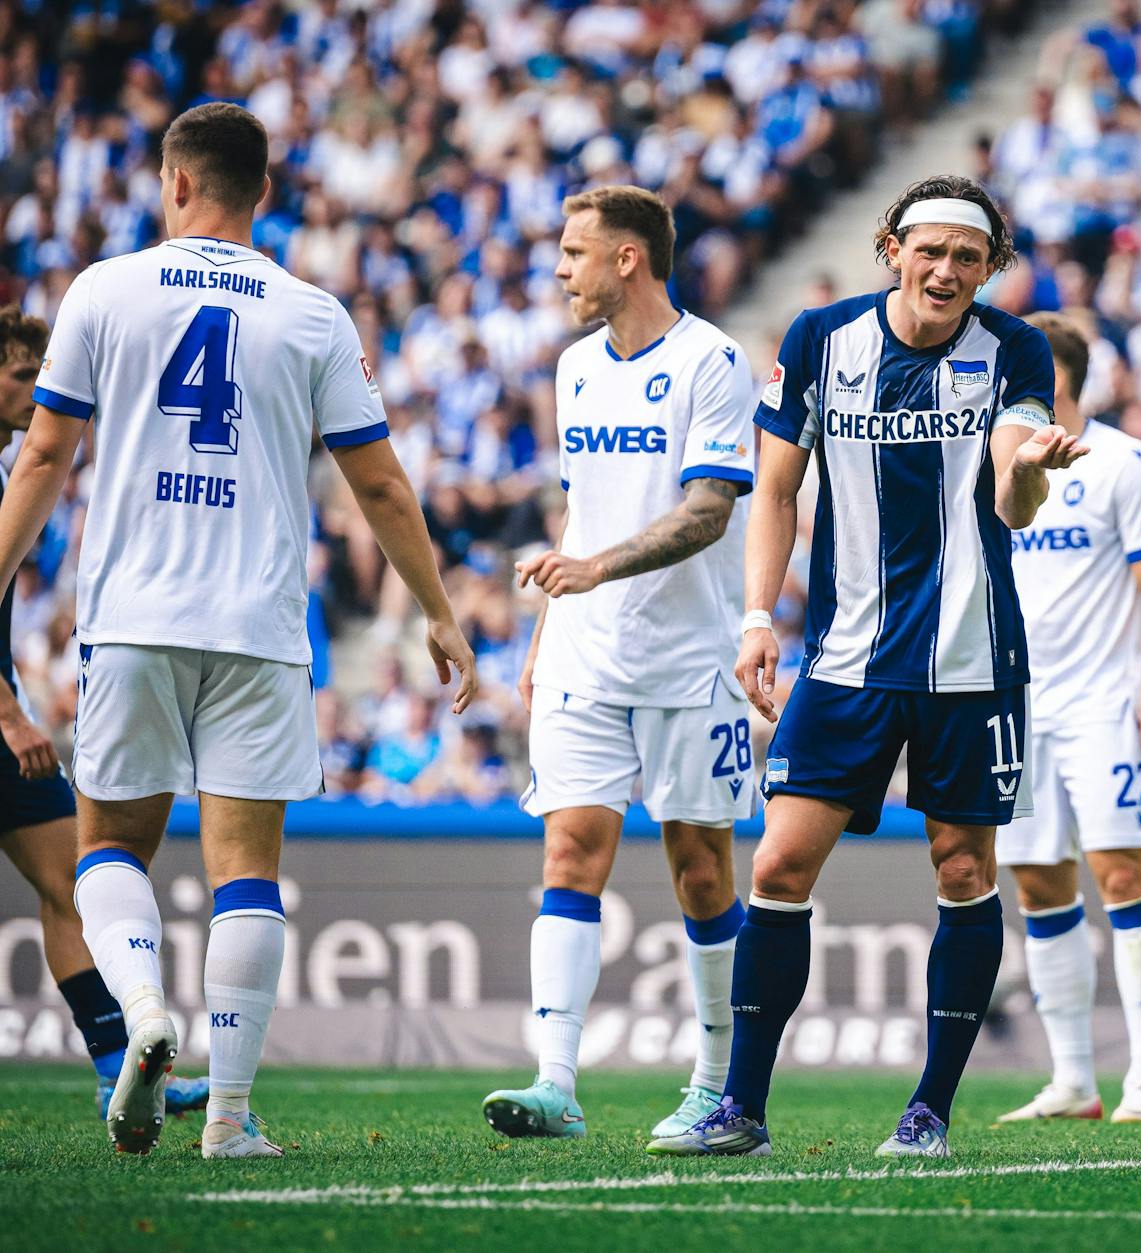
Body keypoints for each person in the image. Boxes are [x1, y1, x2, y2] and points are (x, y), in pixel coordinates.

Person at [0, 104, 477, 1159]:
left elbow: (41, 460)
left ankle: (144, 1008)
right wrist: (437, 613)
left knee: (110, 845)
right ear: (261, 192)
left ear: (174, 183)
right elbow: (383, 486)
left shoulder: (103, 289)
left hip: (132, 615)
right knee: (245, 871)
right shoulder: (312, 313)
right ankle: (228, 1115)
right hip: (260, 624)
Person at [648, 174, 1086, 1161]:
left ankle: (928, 1107)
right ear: (891, 246)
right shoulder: (817, 340)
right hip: (843, 658)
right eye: (928, 250)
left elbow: (1013, 505)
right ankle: (740, 1107)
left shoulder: (1012, 350)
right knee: (776, 863)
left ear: (988, 270)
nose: (944, 270)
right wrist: (758, 615)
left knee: (965, 867)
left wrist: (1026, 471)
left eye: (966, 258)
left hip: (972, 659)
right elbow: (773, 490)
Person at [479, 186, 757, 1145]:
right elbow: (579, 515)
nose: (560, 269)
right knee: (569, 853)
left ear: (627, 259)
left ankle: (718, 1083)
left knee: (701, 872)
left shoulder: (713, 363)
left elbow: (711, 506)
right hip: (583, 656)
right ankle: (555, 1081)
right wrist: (547, 629)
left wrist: (593, 571)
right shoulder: (573, 369)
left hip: (691, 661)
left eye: (573, 252)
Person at [0, 306, 209, 1121]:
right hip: (5, 720)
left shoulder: (11, 470)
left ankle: (116, 1067)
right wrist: (12, 717)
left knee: (69, 882)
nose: (36, 390)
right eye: (22, 375)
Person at [994, 312, 1141, 1124]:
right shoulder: (997, 465)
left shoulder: (1124, 462)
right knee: (1040, 885)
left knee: (1121, 876)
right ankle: (1073, 1080)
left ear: (1053, 381)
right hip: (1015, 708)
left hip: (1102, 706)